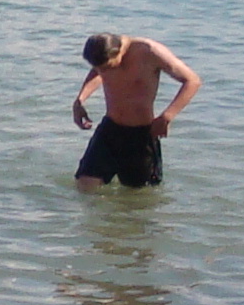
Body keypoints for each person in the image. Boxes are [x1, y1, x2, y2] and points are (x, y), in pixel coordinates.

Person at [69, 31, 197, 188]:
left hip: (141, 135)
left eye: (107, 67)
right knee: (85, 186)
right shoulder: (103, 54)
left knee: (137, 195)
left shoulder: (149, 51)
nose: (104, 72)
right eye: (100, 69)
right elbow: (98, 71)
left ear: (117, 53)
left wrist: (167, 116)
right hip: (110, 129)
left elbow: (192, 81)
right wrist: (80, 101)